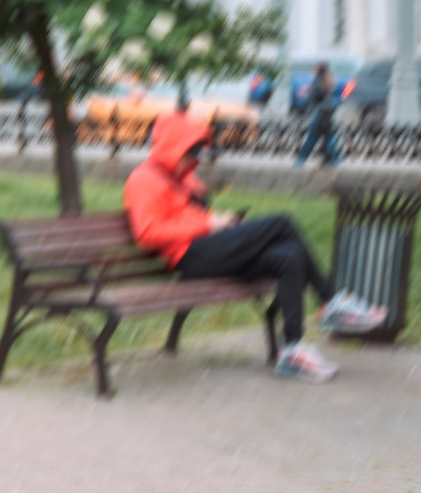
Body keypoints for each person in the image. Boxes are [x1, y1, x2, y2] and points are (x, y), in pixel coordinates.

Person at [125, 109, 385, 382]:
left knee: (290, 256)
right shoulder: (143, 179)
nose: (195, 161)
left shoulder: (184, 179)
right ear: (171, 148)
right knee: (281, 223)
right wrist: (209, 225)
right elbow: (147, 232)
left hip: (211, 248)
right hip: (190, 257)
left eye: (198, 154)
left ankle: (292, 350)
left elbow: (190, 215)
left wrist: (221, 220)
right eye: (190, 154)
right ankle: (330, 301)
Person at [294, 63, 343, 169]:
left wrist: (301, 107)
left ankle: (299, 161)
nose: (312, 70)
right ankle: (334, 160)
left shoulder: (317, 82)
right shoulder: (329, 81)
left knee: (312, 139)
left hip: (319, 115)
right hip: (328, 115)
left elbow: (311, 99)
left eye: (315, 68)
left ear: (318, 71)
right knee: (329, 138)